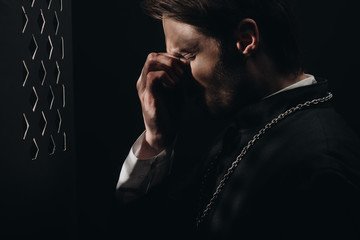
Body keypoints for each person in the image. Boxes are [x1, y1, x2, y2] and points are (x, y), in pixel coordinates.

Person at [115, 0, 360, 239]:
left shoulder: (322, 164)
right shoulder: (245, 133)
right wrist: (156, 140)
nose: (178, 77)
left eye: (187, 56)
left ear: (245, 39)